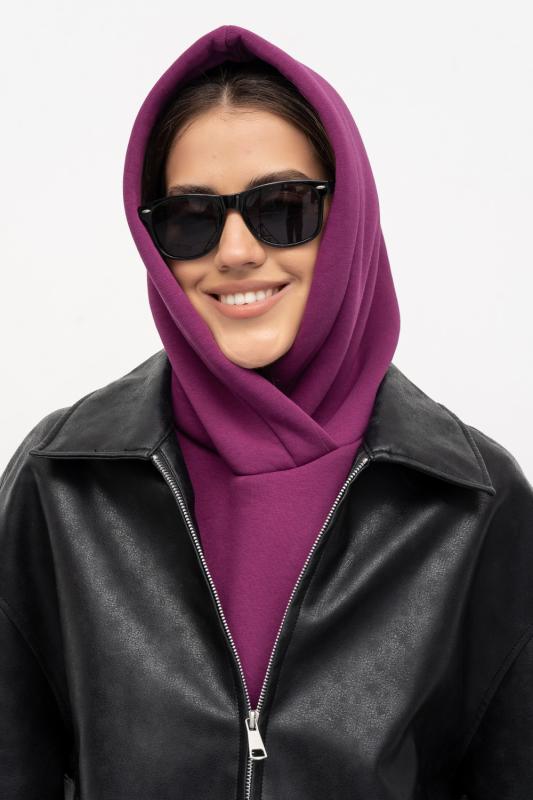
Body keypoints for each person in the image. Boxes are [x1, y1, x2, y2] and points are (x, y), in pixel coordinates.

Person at [1, 23, 532, 800]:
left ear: (346, 216)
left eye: (282, 208)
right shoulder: (60, 482)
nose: (236, 251)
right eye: (191, 219)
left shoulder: (473, 499)